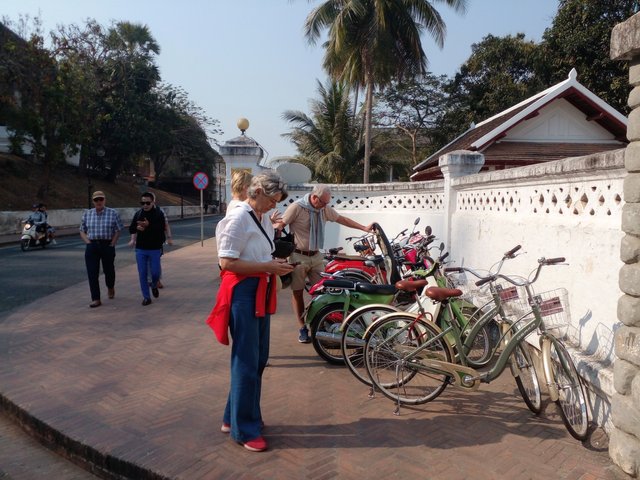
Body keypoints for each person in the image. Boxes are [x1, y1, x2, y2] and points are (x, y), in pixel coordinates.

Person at [206, 171, 293, 452]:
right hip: (244, 292)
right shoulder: (239, 217)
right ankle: (244, 428)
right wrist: (268, 267)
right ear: (255, 192)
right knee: (246, 359)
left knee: (257, 359)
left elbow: (259, 253)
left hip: (258, 287)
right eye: (272, 200)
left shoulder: (260, 216)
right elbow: (226, 263)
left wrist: (273, 265)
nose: (273, 206)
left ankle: (234, 418)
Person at [280, 184, 374, 343]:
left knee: (324, 292)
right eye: (323, 202)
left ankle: (320, 323)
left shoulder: (323, 209)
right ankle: (302, 327)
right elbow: (281, 224)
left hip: (316, 256)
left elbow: (341, 219)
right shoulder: (296, 208)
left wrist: (363, 228)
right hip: (298, 256)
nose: (325, 206)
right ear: (314, 197)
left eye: (326, 203)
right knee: (297, 293)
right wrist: (275, 229)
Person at [79, 191, 124, 308]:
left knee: (109, 270)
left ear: (105, 200)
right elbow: (81, 230)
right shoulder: (87, 214)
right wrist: (88, 242)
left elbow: (118, 229)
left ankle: (110, 286)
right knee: (92, 272)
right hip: (92, 245)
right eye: (96, 200)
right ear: (93, 201)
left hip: (107, 244)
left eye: (101, 199)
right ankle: (96, 298)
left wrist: (113, 243)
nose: (99, 202)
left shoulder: (113, 213)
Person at [128, 192, 166, 306]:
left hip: (155, 248)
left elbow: (161, 229)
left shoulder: (158, 214)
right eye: (142, 203)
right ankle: (146, 297)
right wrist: (137, 227)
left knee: (155, 273)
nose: (145, 205)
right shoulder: (138, 214)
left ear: (153, 202)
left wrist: (148, 225)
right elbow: (131, 228)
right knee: (142, 273)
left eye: (147, 203)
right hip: (141, 249)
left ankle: (154, 285)